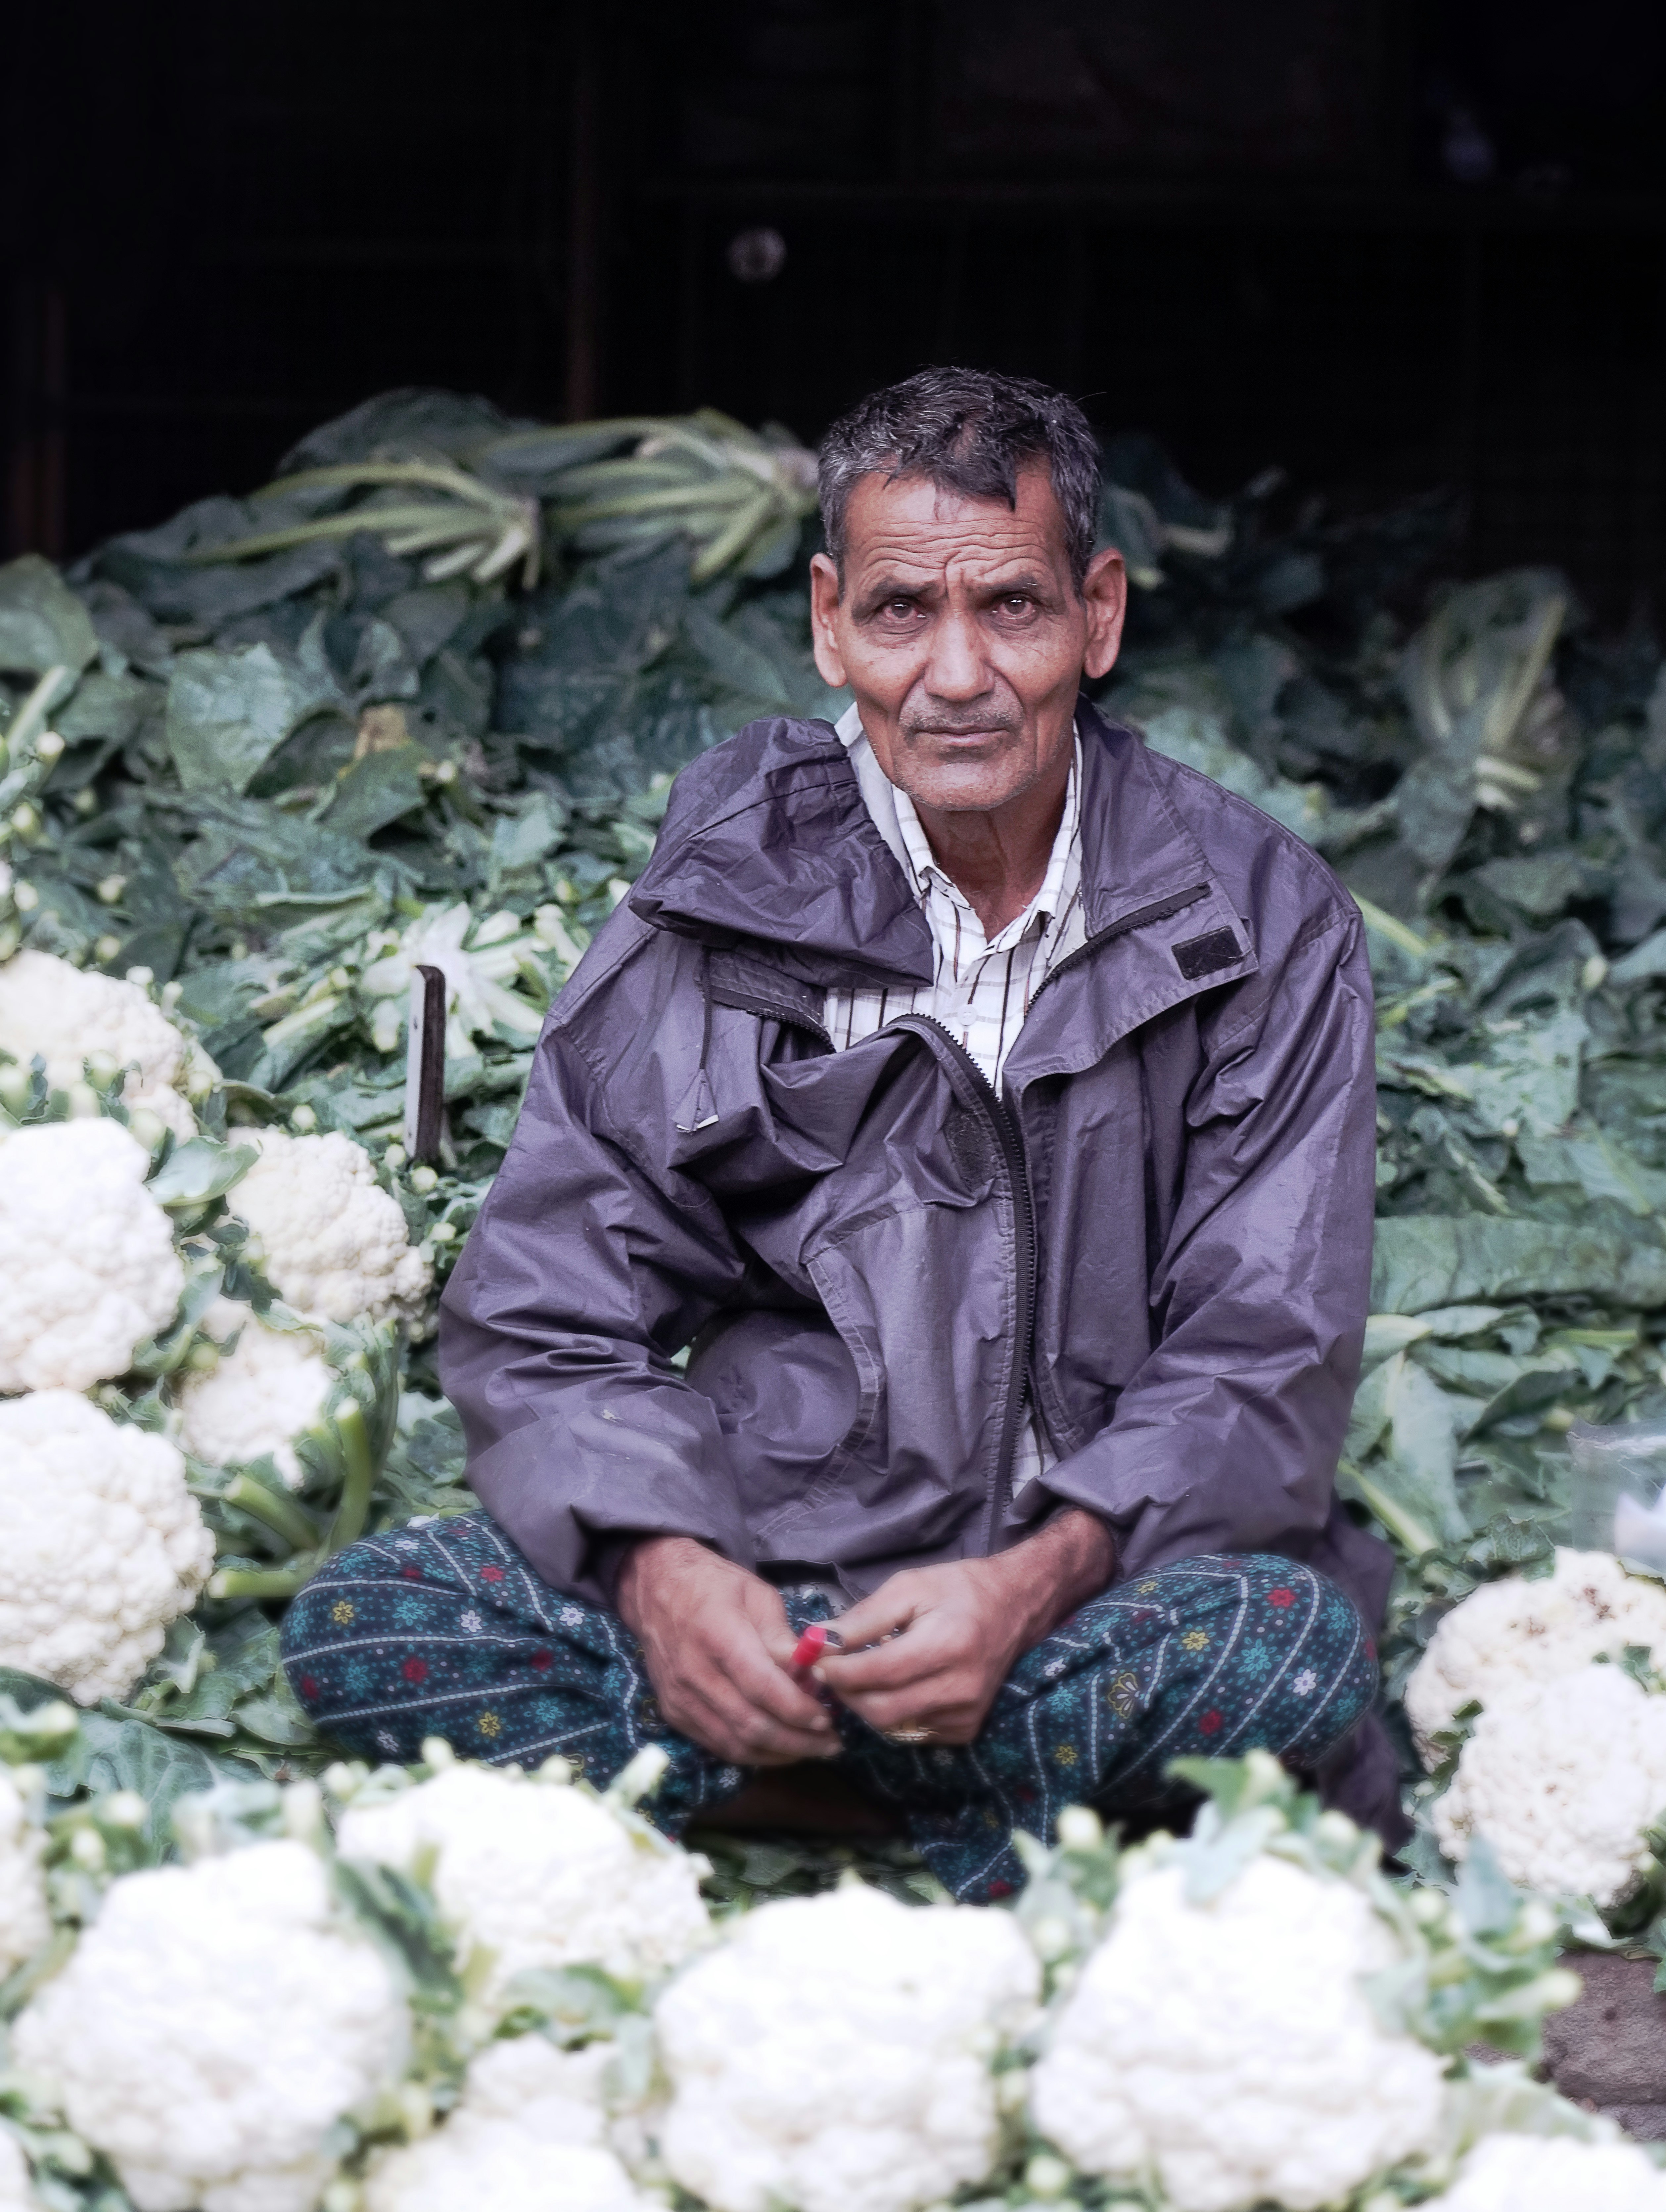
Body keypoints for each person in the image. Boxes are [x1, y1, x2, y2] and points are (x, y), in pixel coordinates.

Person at [281, 366, 1393, 1899]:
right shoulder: (717, 910)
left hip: (1089, 1587)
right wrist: (666, 1573)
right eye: (900, 611)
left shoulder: (1257, 920)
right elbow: (548, 1317)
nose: (957, 674)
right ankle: (964, 1799)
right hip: (786, 1571)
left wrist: (1032, 1580)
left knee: (1293, 1646)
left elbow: (1263, 1354)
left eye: (1012, 606)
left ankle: (790, 1798)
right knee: (374, 1619)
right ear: (828, 621)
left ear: (1099, 616)